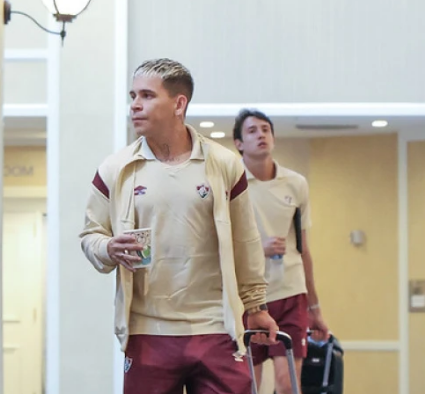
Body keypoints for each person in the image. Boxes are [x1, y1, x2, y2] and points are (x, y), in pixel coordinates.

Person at [80, 58, 279, 394]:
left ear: (179, 104)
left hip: (216, 326)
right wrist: (108, 247)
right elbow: (90, 235)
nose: (135, 105)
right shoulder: (115, 169)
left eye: (147, 95)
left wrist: (256, 306)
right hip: (147, 330)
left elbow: (245, 241)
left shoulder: (225, 165)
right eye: (133, 96)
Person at [233, 108, 329, 394]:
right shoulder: (231, 184)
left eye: (266, 129)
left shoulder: (296, 183)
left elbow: (303, 248)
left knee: (288, 385)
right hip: (246, 296)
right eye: (252, 131)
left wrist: (315, 308)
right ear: (239, 143)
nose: (261, 135)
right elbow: (220, 246)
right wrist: (257, 250)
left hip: (290, 291)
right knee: (247, 384)